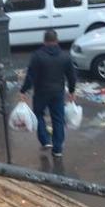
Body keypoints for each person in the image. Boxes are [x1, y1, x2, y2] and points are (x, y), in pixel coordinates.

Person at [19, 29, 77, 157]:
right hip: (58, 92)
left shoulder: (37, 56)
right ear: (56, 41)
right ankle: (57, 149)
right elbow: (72, 76)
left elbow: (31, 76)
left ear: (44, 41)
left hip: (41, 92)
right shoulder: (65, 56)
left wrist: (24, 90)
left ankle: (45, 140)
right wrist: (72, 91)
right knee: (58, 119)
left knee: (38, 114)